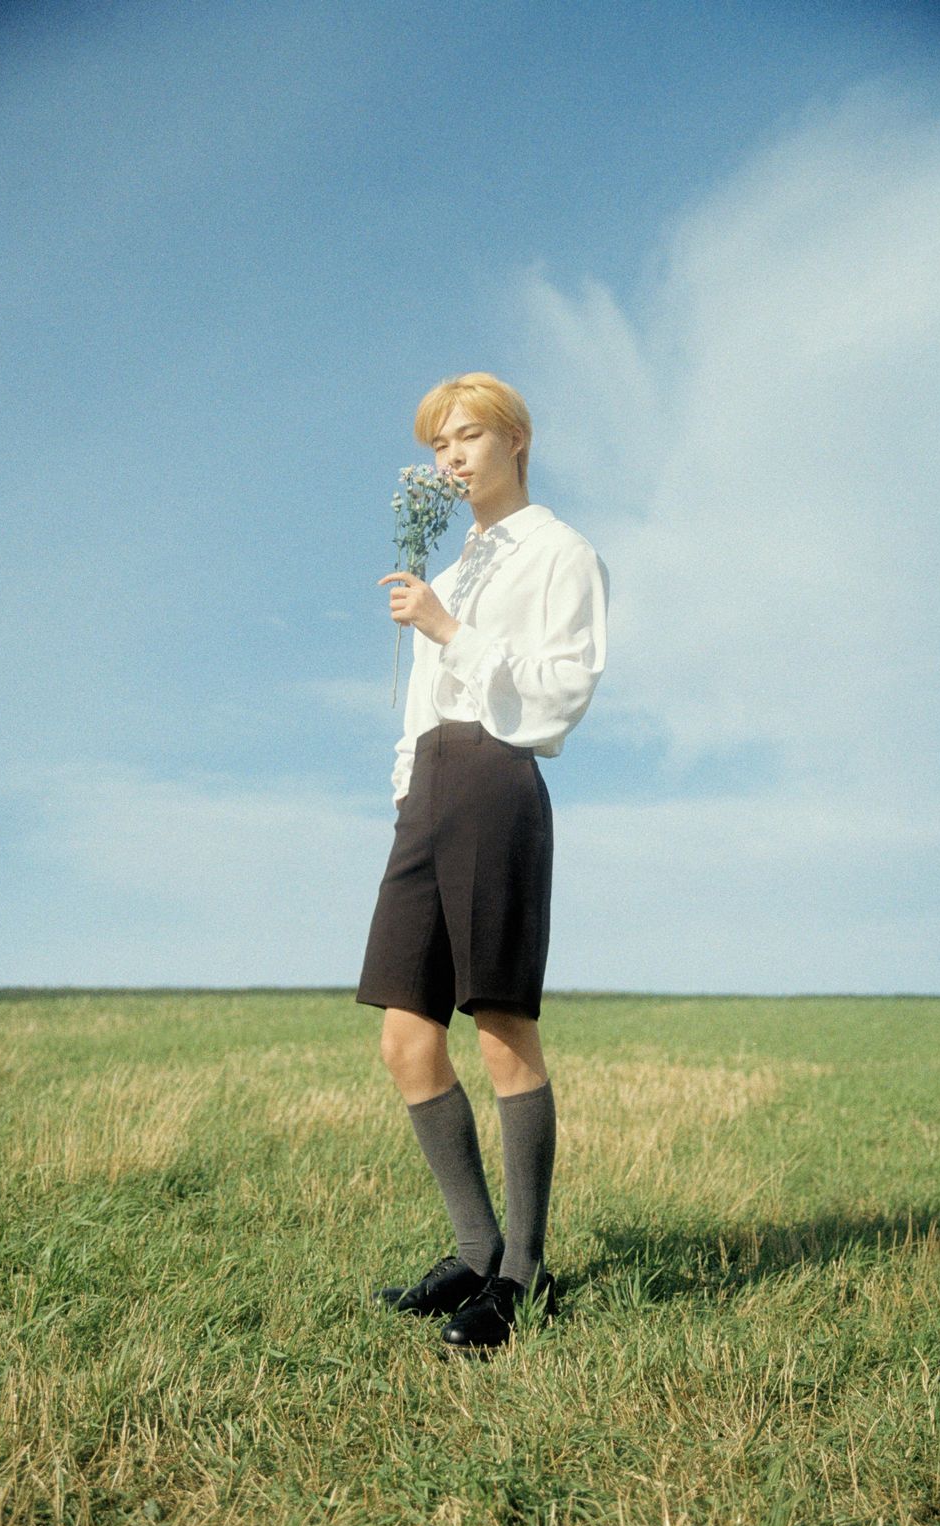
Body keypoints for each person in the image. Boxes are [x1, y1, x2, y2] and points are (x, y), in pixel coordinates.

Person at [356, 372, 608, 1353]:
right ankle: (472, 1248)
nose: (451, 457)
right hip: (428, 786)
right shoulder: (450, 567)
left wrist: (446, 629)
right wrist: (404, 792)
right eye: (438, 444)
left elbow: (560, 694)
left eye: (468, 436)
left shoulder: (561, 552)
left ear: (516, 440)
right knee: (404, 1041)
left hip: (498, 777)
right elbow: (423, 702)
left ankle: (523, 1274)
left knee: (500, 1025)